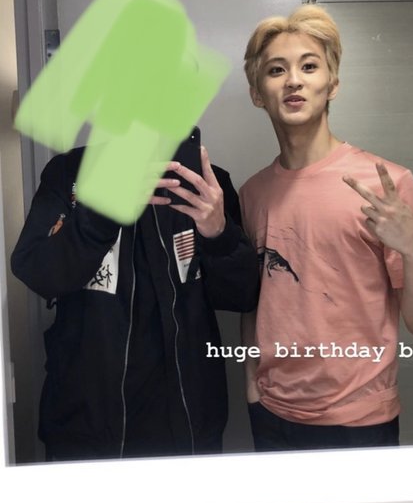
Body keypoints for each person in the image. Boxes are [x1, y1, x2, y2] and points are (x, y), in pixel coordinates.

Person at [239, 5, 413, 451]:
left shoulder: (386, 184)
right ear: (257, 92)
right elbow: (254, 300)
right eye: (277, 70)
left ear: (332, 84)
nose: (293, 80)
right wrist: (252, 384)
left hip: (361, 418)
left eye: (309, 66)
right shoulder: (253, 193)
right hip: (272, 412)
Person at [11, 130, 259, 460]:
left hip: (188, 423)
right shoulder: (70, 172)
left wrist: (219, 234)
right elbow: (37, 272)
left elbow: (242, 296)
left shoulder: (206, 183)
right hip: (84, 424)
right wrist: (99, 216)